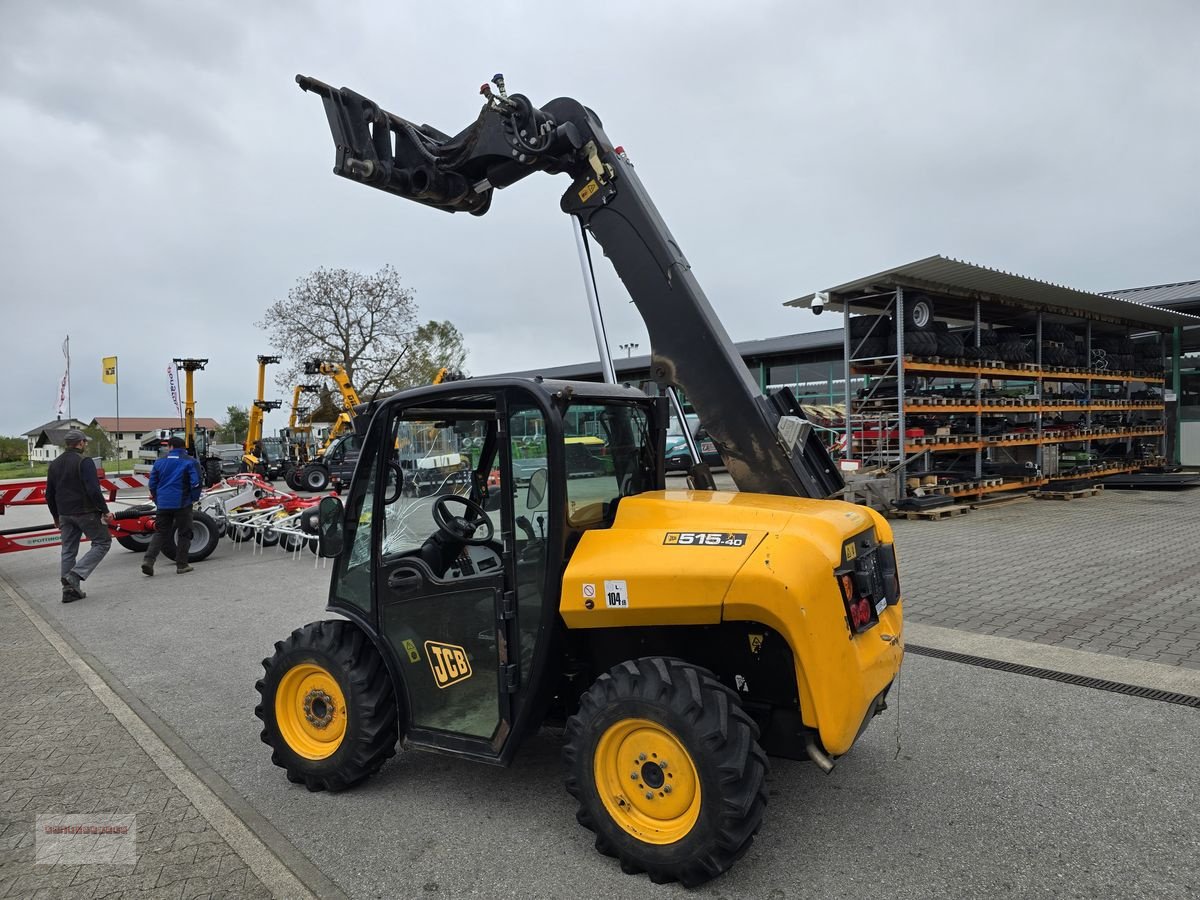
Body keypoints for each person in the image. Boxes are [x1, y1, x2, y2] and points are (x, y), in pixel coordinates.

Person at [46, 429, 114, 603]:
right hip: (85, 512)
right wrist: (105, 511)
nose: (86, 444)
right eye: (85, 442)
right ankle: (74, 576)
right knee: (103, 542)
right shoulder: (85, 462)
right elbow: (93, 489)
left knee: (68, 550)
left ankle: (68, 591)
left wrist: (55, 516)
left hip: (64, 514)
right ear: (81, 443)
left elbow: (49, 494)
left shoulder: (54, 464)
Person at [141, 436, 204, 576]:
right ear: (183, 447)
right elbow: (196, 482)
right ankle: (182, 565)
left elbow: (152, 484)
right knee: (184, 532)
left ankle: (148, 561)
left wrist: (158, 499)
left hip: (163, 503)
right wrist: (193, 498)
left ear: (170, 447)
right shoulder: (190, 462)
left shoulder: (159, 462)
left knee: (160, 532)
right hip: (182, 503)